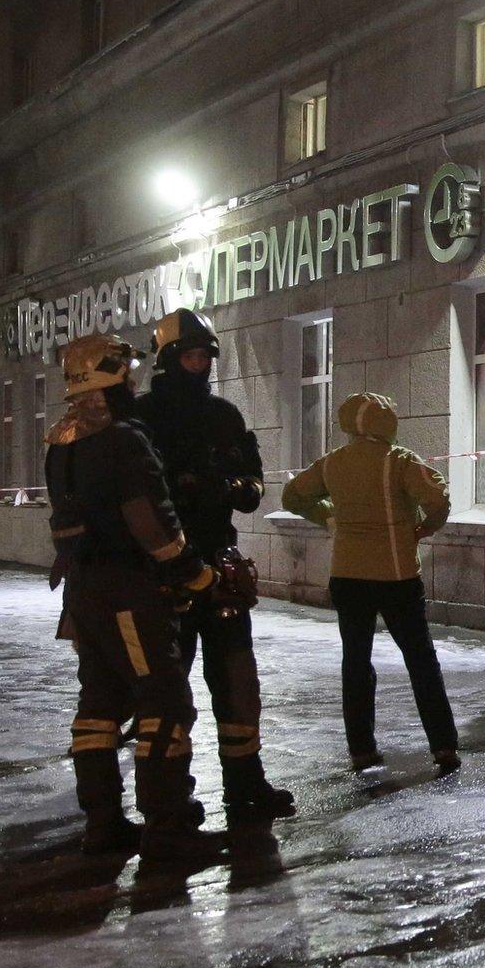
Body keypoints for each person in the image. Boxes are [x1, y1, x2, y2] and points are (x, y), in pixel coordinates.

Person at [45, 334, 229, 864]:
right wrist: (194, 575)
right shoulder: (124, 439)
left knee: (99, 705)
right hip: (129, 588)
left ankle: (102, 823)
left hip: (83, 590)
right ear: (113, 379)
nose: (132, 381)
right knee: (164, 702)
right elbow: (151, 520)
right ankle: (168, 826)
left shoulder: (62, 440)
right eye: (126, 373)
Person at [133, 308, 294, 829]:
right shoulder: (141, 420)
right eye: (190, 355)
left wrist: (231, 488)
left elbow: (253, 480)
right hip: (165, 573)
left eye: (205, 356)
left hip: (220, 567)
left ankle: (246, 784)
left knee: (238, 682)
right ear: (167, 359)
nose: (199, 364)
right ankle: (168, 800)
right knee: (168, 690)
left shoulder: (225, 415)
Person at [280, 392, 457, 772]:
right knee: (421, 660)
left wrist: (329, 516)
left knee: (356, 662)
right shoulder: (400, 461)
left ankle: (362, 749)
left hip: (347, 576)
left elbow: (292, 496)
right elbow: (438, 497)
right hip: (396, 576)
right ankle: (443, 746)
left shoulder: (331, 464)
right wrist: (425, 527)